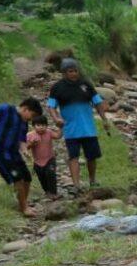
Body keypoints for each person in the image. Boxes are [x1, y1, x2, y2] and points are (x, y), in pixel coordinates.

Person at [46, 58, 110, 191]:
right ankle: (76, 185)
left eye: (75, 71)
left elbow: (98, 103)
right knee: (73, 156)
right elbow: (51, 107)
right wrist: (56, 118)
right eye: (70, 71)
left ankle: (92, 180)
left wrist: (104, 119)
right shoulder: (57, 88)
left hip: (88, 129)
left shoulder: (86, 85)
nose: (74, 73)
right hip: (71, 130)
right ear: (64, 73)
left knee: (91, 157)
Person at [26, 115, 63, 199]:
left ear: (46, 125)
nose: (41, 127)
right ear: (33, 126)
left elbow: (58, 136)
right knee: (41, 177)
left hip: (50, 159)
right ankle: (47, 191)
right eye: (38, 125)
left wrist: (61, 128)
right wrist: (31, 144)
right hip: (37, 161)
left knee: (50, 174)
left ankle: (54, 193)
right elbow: (26, 147)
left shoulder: (49, 132)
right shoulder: (30, 135)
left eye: (43, 125)